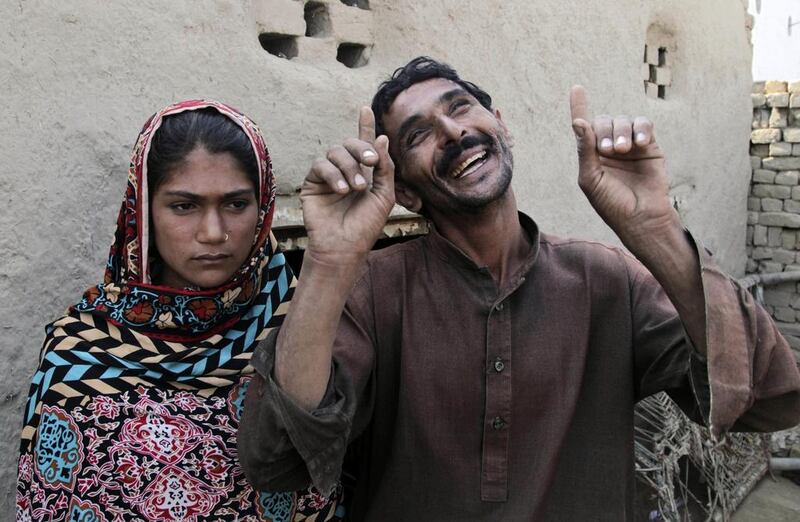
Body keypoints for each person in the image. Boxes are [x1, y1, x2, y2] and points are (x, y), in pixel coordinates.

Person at [238, 57, 800, 520]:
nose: (454, 133)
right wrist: (331, 260)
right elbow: (276, 460)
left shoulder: (606, 280)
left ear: (500, 125)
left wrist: (654, 229)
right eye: (418, 135)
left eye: (459, 108)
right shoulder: (372, 289)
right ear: (405, 192)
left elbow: (770, 400)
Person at [16, 100, 343, 521]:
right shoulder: (80, 352)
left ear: (263, 210)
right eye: (184, 206)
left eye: (236, 204)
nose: (213, 232)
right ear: (145, 211)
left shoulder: (298, 324)